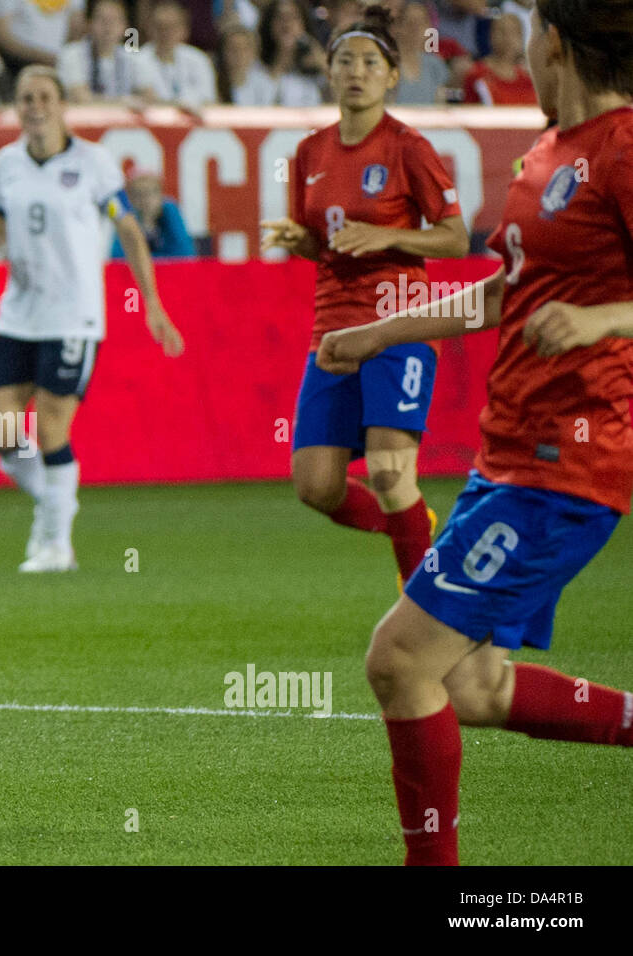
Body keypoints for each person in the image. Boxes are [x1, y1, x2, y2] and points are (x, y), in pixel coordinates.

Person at [315, 0, 633, 866]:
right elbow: (507, 294)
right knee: (475, 686)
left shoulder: (624, 149)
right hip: (509, 459)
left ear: (554, 43)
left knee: (399, 662)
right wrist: (383, 331)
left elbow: (591, 306)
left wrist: (604, 317)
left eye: (530, 27)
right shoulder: (546, 154)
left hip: (568, 463)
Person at [259, 5, 468, 586]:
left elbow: (454, 237)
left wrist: (388, 234)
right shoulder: (308, 153)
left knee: (388, 468)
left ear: (391, 75)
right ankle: (418, 529)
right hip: (332, 333)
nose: (357, 71)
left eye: (370, 62)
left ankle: (424, 605)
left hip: (398, 327)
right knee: (316, 485)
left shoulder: (407, 147)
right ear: (328, 71)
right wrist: (302, 241)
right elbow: (327, 247)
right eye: (345, 60)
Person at [0, 66, 185, 572]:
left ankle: (56, 545)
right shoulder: (6, 164)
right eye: (25, 97)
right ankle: (56, 500)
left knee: (52, 431)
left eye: (44, 97)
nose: (35, 106)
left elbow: (127, 229)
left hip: (73, 316)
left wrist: (150, 299)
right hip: (19, 312)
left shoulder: (94, 163)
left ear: (62, 105)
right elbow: (0, 226)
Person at [57, 0, 162, 104]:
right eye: (102, 20)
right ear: (89, 24)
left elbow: (150, 97)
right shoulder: (72, 54)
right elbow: (79, 98)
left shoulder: (133, 58)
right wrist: (125, 102)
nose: (108, 27)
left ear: (124, 26)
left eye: (114, 20)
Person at [140, 0, 218, 110]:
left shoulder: (198, 60)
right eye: (160, 27)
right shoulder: (137, 60)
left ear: (184, 30)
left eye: (172, 27)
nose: (166, 33)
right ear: (149, 28)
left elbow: (209, 102)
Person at [257, 0, 328, 105]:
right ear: (270, 24)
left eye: (293, 17)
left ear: (304, 24)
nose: (287, 23)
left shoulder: (315, 67)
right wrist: (282, 58)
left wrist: (322, 64)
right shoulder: (257, 67)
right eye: (280, 17)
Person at [109, 171, 195, 258]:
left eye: (151, 192)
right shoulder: (127, 216)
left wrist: (141, 259)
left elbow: (185, 253)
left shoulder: (170, 211)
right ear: (130, 198)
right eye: (138, 194)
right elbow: (117, 256)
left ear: (161, 195)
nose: (145, 199)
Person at [462, 11, 536, 105]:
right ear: (491, 36)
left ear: (521, 39)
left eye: (514, 33)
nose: (508, 38)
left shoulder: (528, 78)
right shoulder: (477, 74)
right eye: (501, 31)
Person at [392, 0, 450, 104]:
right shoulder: (387, 63)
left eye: (421, 23)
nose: (415, 29)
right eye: (410, 23)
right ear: (397, 26)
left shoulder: (435, 64)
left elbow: (440, 105)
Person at [216, 24, 277, 104]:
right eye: (233, 48)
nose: (239, 54)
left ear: (254, 53)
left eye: (244, 49)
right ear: (223, 52)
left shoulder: (265, 85)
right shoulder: (213, 82)